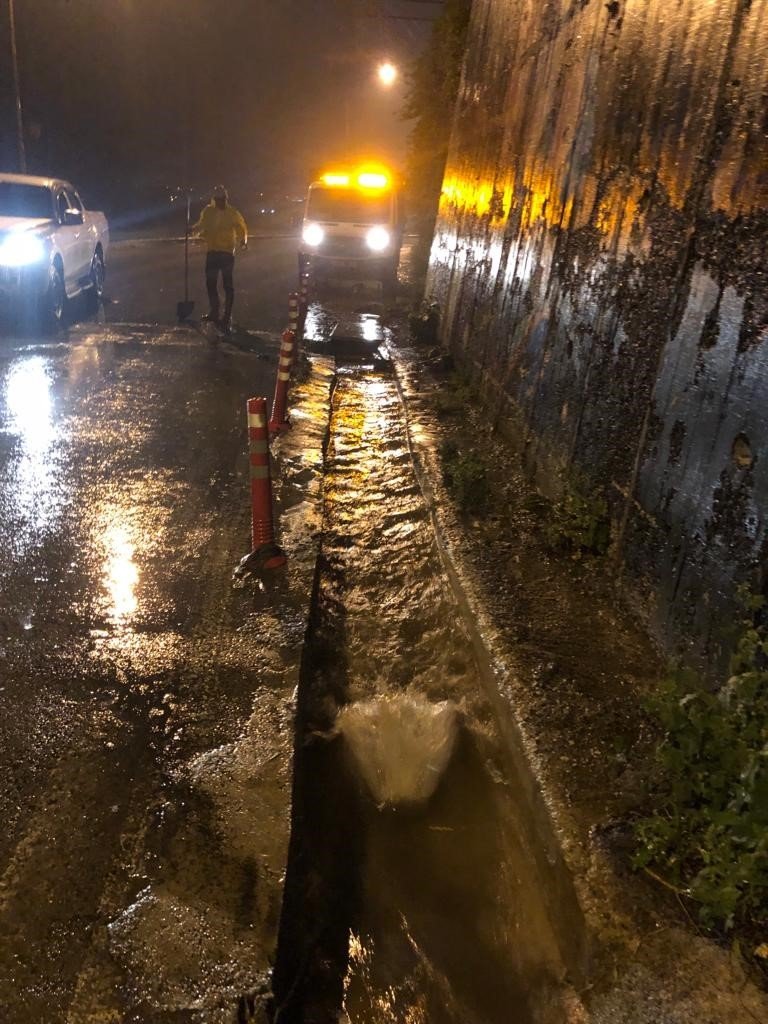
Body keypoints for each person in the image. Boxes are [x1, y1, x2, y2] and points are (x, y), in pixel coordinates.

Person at [191, 185, 248, 333]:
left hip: (227, 253)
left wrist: (243, 240)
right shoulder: (208, 211)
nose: (221, 201)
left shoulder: (232, 213)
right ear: (215, 199)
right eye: (218, 199)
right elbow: (202, 225)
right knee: (211, 283)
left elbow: (241, 227)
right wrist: (192, 230)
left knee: (227, 286)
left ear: (226, 199)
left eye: (222, 199)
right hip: (213, 252)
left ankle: (226, 316)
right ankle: (214, 312)